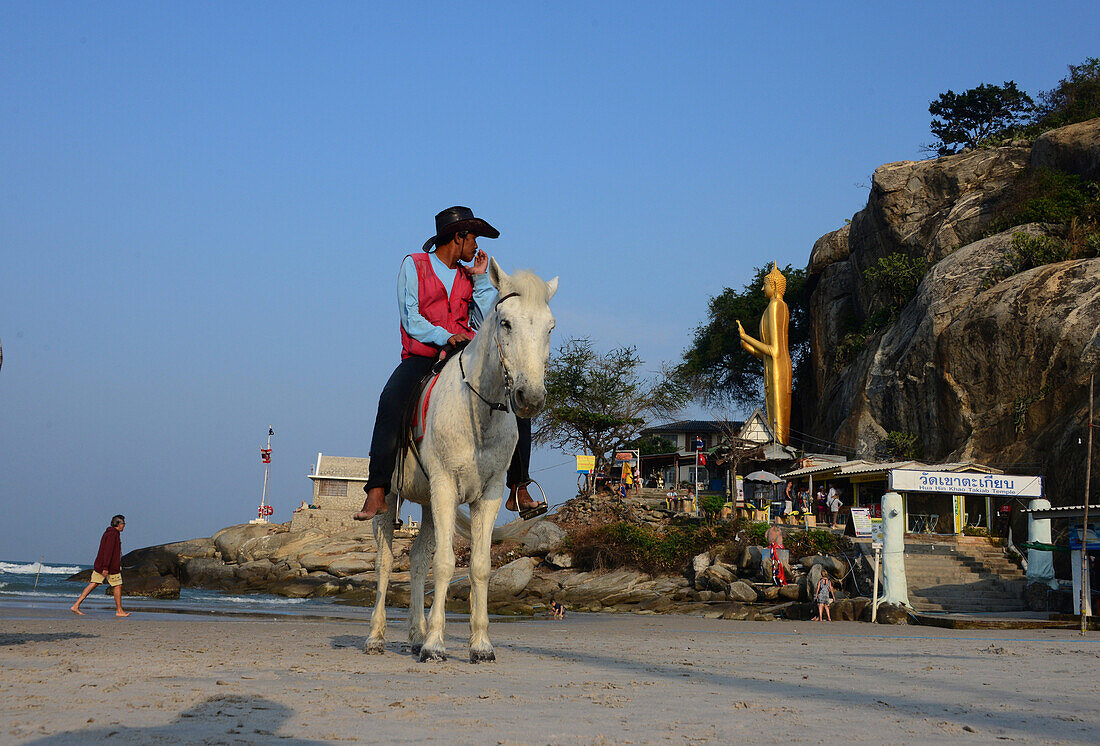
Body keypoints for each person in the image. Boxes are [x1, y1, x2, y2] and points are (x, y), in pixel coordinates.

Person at [355, 207, 546, 522]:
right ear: (459, 237)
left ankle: (518, 486)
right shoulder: (414, 265)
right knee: (391, 400)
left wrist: (483, 280)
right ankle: (377, 489)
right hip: (422, 355)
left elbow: (486, 321)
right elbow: (410, 316)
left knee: (512, 399)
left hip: (461, 357)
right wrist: (444, 335)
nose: (476, 247)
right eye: (473, 239)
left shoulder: (468, 276)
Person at [71, 515, 130, 617]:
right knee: (116, 586)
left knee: (97, 584)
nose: (124, 526)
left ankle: (76, 605)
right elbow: (108, 552)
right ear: (119, 524)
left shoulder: (111, 533)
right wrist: (105, 568)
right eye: (123, 524)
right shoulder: (112, 535)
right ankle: (119, 611)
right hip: (109, 567)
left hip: (105, 566)